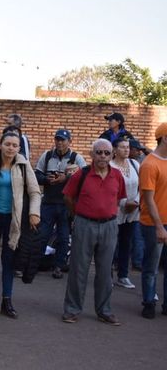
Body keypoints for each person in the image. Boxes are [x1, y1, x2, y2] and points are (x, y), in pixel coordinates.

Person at [62, 139, 126, 326]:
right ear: (92, 155)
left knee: (105, 271)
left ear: (112, 155)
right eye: (99, 152)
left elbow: (118, 199)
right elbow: (68, 197)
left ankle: (104, 311)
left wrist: (106, 214)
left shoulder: (117, 175)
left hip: (109, 226)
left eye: (107, 153)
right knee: (78, 269)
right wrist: (79, 216)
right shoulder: (81, 175)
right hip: (84, 224)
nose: (103, 156)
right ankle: (72, 310)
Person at [0, 132, 41, 320]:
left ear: (19, 148)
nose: (11, 148)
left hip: (13, 219)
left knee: (9, 261)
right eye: (7, 144)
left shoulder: (22, 165)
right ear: (0, 145)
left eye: (15, 145)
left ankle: (7, 300)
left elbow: (34, 191)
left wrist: (34, 212)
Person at [35, 129, 86, 279]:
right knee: (42, 234)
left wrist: (67, 178)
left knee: (64, 236)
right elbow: (36, 175)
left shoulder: (77, 158)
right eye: (57, 139)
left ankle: (59, 266)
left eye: (63, 140)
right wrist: (46, 179)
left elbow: (85, 178)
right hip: (49, 202)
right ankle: (36, 263)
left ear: (70, 141)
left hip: (66, 203)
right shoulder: (47, 155)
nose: (60, 142)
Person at [139, 123, 167, 319]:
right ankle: (149, 302)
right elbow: (148, 200)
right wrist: (159, 227)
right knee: (151, 266)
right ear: (164, 138)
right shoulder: (149, 164)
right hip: (153, 224)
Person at [110, 138, 140, 289]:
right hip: (115, 211)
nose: (126, 150)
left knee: (126, 244)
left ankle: (123, 275)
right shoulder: (110, 166)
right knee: (111, 244)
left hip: (133, 211)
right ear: (115, 149)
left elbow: (143, 185)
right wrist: (124, 203)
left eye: (128, 147)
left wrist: (136, 202)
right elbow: (110, 189)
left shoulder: (135, 164)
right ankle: (107, 276)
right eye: (122, 147)